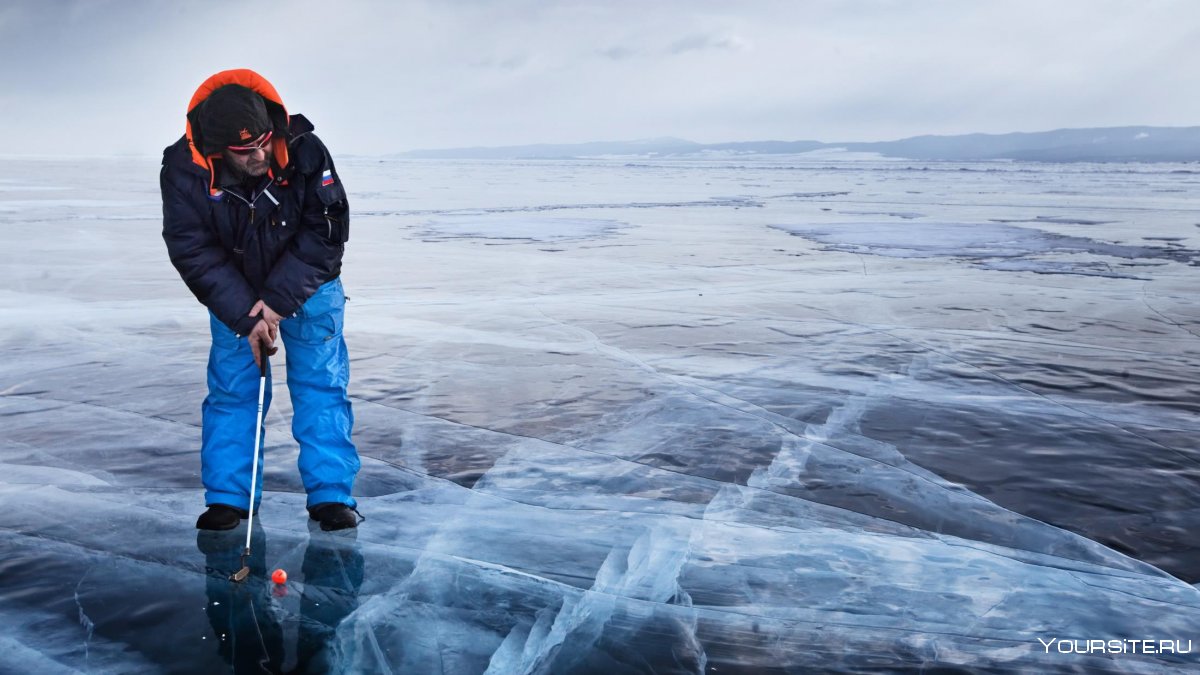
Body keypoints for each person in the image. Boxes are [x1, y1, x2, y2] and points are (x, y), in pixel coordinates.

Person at [161, 69, 360, 531]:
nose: (258, 155)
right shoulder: (183, 168)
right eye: (243, 150)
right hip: (237, 296)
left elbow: (327, 230)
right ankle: (230, 499)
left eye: (263, 143)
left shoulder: (306, 149)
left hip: (311, 289)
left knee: (321, 386)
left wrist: (275, 303)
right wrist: (247, 315)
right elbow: (191, 247)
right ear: (216, 149)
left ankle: (331, 495)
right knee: (234, 391)